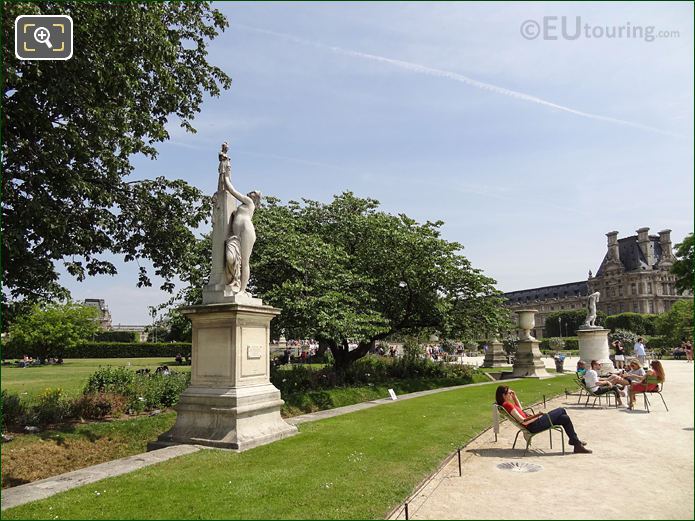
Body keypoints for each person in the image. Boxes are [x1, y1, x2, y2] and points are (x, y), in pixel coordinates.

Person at [495, 385, 592, 454]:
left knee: (564, 418)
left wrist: (515, 397)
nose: (510, 395)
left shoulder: (507, 404)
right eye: (509, 393)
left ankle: (576, 443)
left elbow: (521, 411)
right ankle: (575, 442)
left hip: (533, 423)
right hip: (533, 425)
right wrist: (538, 415)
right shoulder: (507, 404)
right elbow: (522, 420)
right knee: (561, 410)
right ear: (504, 395)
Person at [223, 168, 261, 296]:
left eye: (254, 193)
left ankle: (242, 290)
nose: (251, 193)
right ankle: (236, 283)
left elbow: (233, 191)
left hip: (246, 230)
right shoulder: (243, 206)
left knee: (245, 261)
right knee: (233, 259)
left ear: (255, 198)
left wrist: (226, 178)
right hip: (236, 235)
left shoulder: (249, 202)